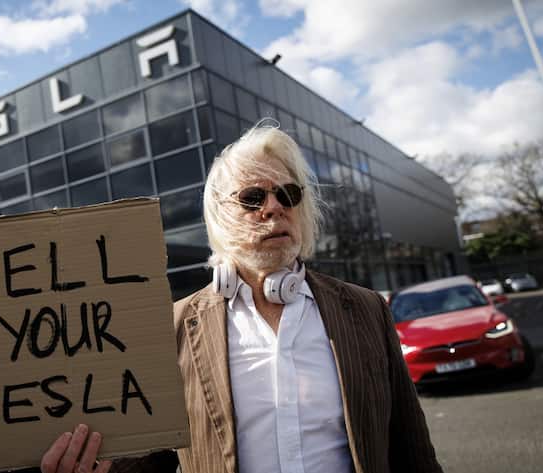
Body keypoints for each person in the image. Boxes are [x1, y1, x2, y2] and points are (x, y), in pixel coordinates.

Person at [40, 124, 443, 473]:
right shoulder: (174, 327)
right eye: (252, 198)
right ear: (218, 215)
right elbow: (153, 460)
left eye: (288, 194)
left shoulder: (367, 309)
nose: (273, 208)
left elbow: (412, 450)